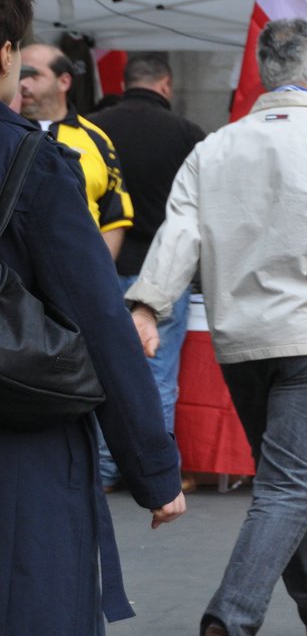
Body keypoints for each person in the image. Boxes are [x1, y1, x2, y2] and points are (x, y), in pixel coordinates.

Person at [125, 19, 307, 636]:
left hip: (239, 337)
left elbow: (182, 229)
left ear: (260, 71)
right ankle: (228, 627)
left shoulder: (216, 147)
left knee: (288, 479)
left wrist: (146, 306)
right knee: (289, 484)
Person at [0, 0, 185, 636]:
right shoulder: (31, 160)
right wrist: (156, 470)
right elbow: (101, 320)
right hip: (19, 451)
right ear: (5, 52)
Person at [88, 53, 208, 490]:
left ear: (126, 81)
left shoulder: (93, 129)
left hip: (103, 264)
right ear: (166, 85)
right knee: (157, 374)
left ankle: (102, 468)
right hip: (164, 271)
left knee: (102, 371)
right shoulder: (186, 134)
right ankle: (155, 470)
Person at [17, 43, 133, 257]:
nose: (22, 83)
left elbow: (115, 216)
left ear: (64, 81)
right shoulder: (8, 131)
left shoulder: (95, 138)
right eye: (18, 75)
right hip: (12, 277)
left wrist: (97, 277)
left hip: (76, 271)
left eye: (33, 75)